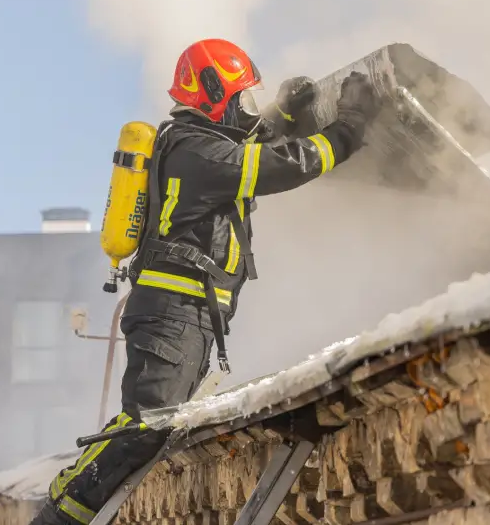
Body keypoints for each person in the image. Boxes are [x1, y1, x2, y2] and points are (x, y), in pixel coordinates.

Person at [30, 38, 381, 525]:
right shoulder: (198, 151)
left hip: (180, 316)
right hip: (174, 315)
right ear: (214, 93)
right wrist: (349, 127)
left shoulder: (195, 145)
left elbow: (246, 148)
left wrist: (282, 114)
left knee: (154, 425)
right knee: (146, 427)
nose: (247, 107)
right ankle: (56, 518)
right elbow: (279, 166)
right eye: (241, 97)